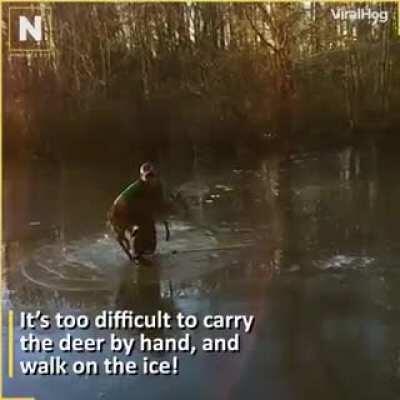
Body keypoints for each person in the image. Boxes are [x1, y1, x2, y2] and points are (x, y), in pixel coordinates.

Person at [108, 162, 169, 263]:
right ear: (142, 177)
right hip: (120, 211)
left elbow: (159, 204)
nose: (150, 179)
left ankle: (145, 249)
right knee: (138, 227)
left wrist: (163, 218)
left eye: (152, 175)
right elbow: (119, 204)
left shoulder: (158, 187)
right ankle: (136, 254)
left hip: (137, 210)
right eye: (147, 176)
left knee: (150, 236)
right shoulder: (137, 187)